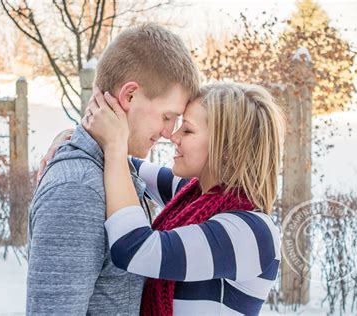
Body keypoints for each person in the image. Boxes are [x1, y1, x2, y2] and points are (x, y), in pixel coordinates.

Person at [47, 82, 285, 315]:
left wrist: (114, 146)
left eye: (188, 130)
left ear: (226, 149)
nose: (173, 135)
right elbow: (127, 169)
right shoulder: (191, 197)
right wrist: (72, 139)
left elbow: (134, 249)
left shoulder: (251, 233)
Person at [27, 23, 200, 315]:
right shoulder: (78, 189)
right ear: (129, 96)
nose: (170, 132)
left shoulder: (114, 168)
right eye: (167, 116)